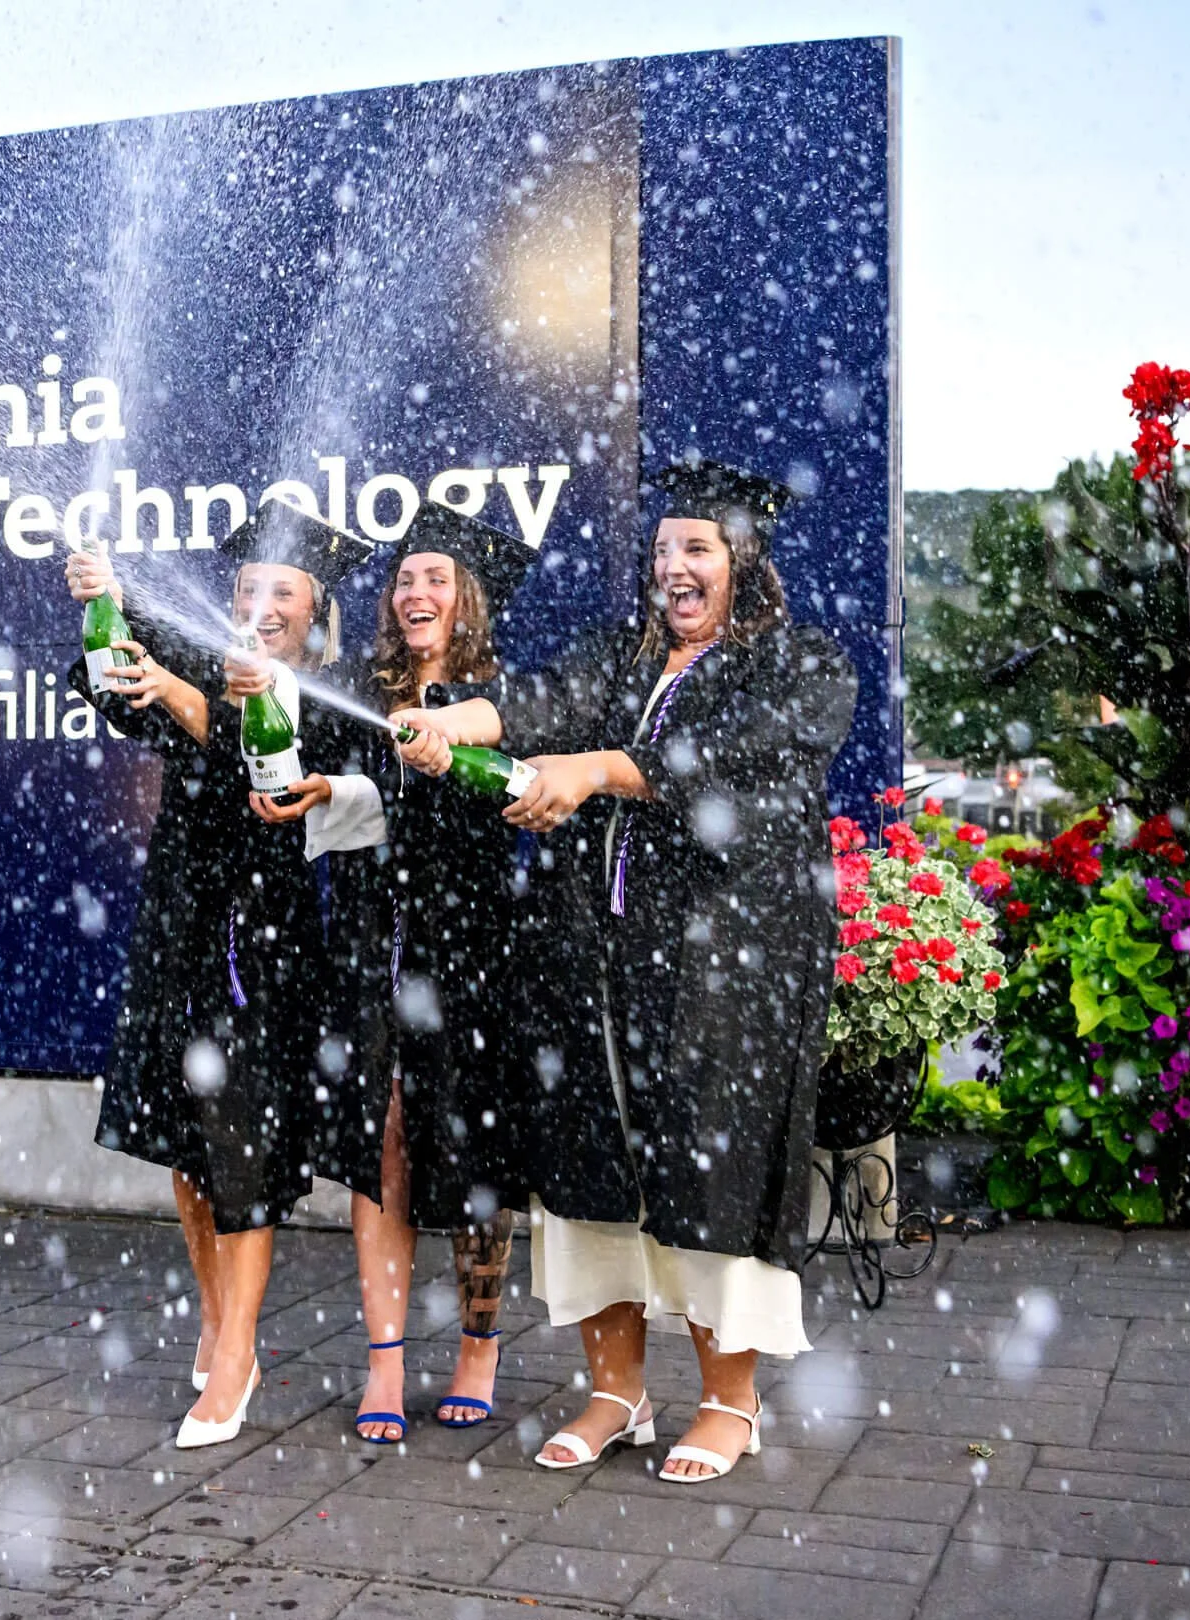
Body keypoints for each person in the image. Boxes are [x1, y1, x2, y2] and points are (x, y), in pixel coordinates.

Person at [393, 459, 856, 1483]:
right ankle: (616, 1391)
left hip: (720, 972)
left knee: (706, 1170)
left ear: (743, 562)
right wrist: (447, 723)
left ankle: (729, 1405)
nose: (673, 568)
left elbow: (729, 758)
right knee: (591, 1169)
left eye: (696, 548)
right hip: (591, 965)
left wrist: (598, 769)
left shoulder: (801, 665)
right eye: (659, 550)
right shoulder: (620, 656)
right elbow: (534, 699)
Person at [66, 498, 377, 1450]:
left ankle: (236, 1354)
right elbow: (113, 686)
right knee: (185, 1144)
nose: (262, 602)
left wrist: (187, 692)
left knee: (239, 1139)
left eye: (284, 588)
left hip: (262, 942)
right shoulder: (203, 658)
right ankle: (215, 1313)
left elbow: (272, 777)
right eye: (249, 586)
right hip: (181, 921)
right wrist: (105, 602)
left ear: (316, 608)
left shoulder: (331, 687)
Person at [255, 502, 539, 1443]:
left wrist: (452, 750)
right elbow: (340, 800)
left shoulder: (505, 696)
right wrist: (324, 790)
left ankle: (478, 1347)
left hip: (473, 952)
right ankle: (382, 1361)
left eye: (438, 577)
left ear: (468, 600)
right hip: (377, 946)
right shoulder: (359, 695)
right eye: (406, 577)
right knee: (383, 1143)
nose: (417, 591)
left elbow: (513, 808)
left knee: (471, 1154)